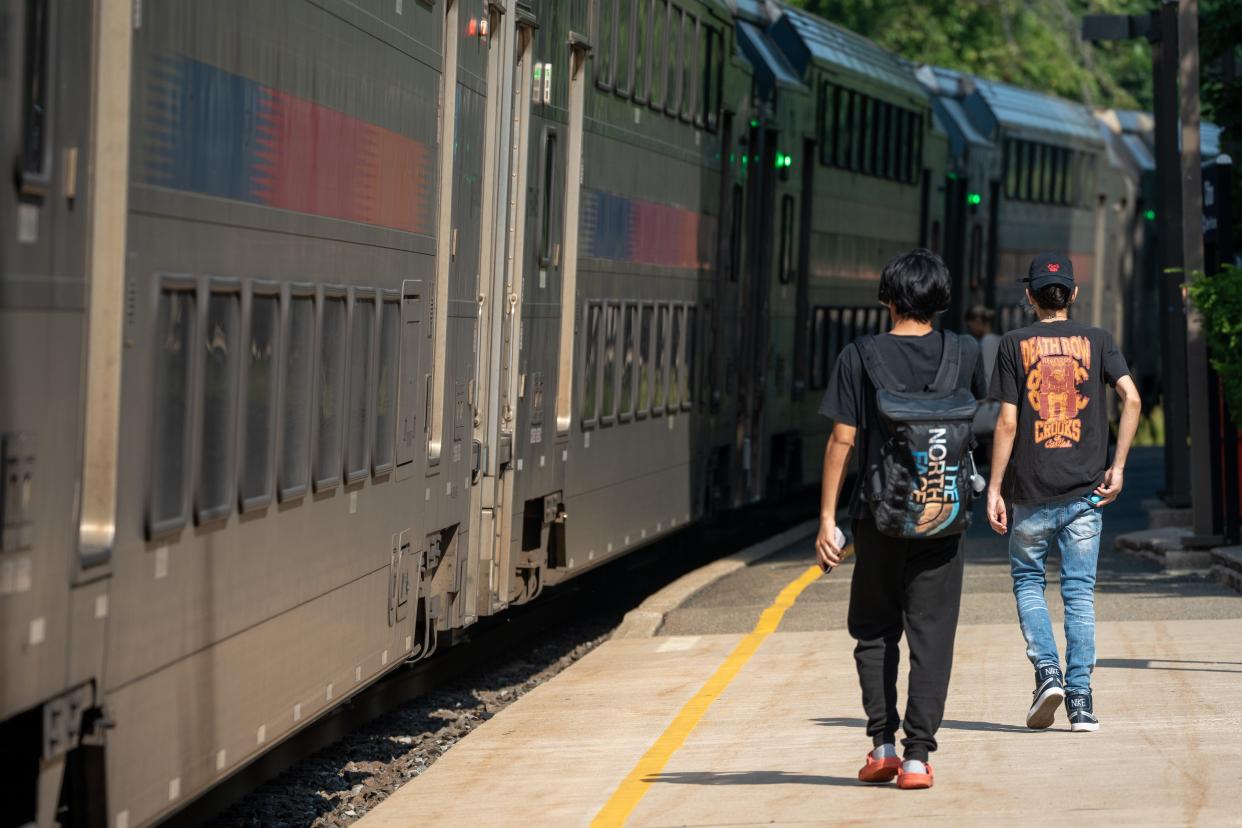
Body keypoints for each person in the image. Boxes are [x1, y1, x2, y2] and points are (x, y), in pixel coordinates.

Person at [816, 249, 986, 790]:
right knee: (932, 636)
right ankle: (918, 759)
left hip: (879, 516)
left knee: (873, 630)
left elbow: (842, 440)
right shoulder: (964, 353)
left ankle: (882, 746)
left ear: (887, 297)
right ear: (939, 299)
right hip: (946, 518)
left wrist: (826, 520)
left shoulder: (860, 356)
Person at [986, 253, 1142, 732]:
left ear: (1030, 297)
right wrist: (1117, 466)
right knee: (1079, 593)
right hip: (1086, 491)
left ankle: (1047, 672)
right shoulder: (1098, 340)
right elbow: (1132, 397)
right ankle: (1081, 702)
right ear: (1073, 295)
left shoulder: (1013, 344)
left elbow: (1008, 421)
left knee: (1029, 582)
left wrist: (994, 487)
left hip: (1031, 491)